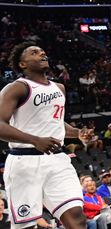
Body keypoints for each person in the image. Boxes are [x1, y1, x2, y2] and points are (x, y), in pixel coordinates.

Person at [0, 42, 90, 229]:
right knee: (28, 226)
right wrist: (34, 140)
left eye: (43, 51)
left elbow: (54, 123)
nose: (42, 54)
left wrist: (77, 133)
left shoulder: (59, 88)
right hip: (24, 162)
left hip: (57, 160)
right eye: (34, 53)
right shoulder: (17, 87)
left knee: (77, 217)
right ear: (22, 64)